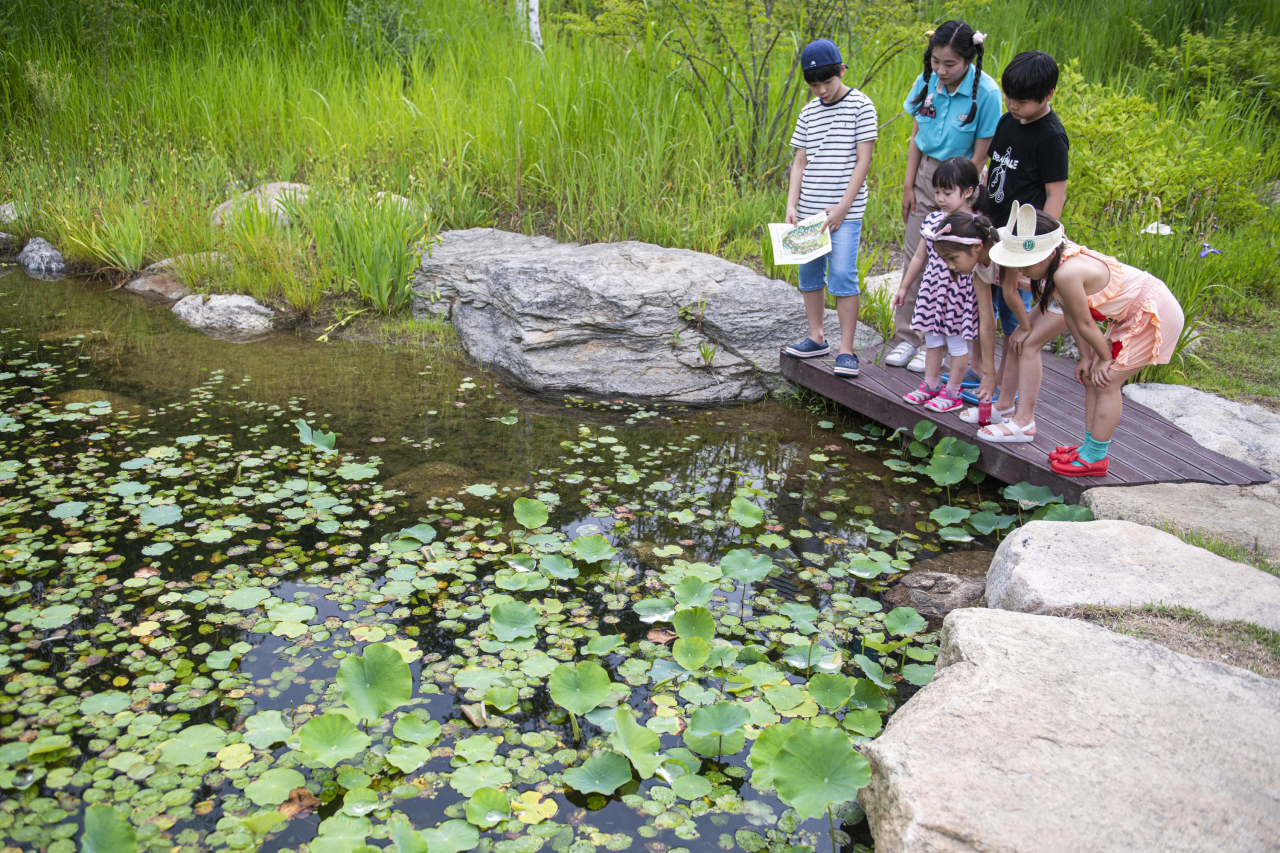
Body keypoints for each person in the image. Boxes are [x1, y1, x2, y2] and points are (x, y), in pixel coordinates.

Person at [979, 203, 1186, 478]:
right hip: (1131, 315)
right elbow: (1074, 316)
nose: (1022, 271)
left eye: (1026, 264)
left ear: (1049, 253)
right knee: (1091, 376)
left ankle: (1095, 458)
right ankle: (1088, 448)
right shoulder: (1057, 268)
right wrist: (1088, 358)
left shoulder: (1066, 273)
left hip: (1152, 314)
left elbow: (1088, 323)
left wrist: (1104, 358)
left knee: (1107, 382)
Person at [886, 20, 1001, 374]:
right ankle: (909, 336)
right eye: (936, 61)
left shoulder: (987, 94)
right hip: (927, 177)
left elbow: (981, 154)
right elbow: (917, 138)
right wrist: (909, 185)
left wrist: (961, 198)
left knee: (953, 261)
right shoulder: (927, 82)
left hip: (962, 182)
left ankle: (941, 342)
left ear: (969, 60)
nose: (941, 70)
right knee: (915, 253)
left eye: (950, 64)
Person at [970, 49, 1071, 392]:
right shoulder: (1007, 120)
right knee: (987, 307)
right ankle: (984, 372)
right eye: (1010, 97)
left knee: (1015, 315)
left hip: (1020, 239)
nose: (1013, 105)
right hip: (992, 227)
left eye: (1022, 101)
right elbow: (992, 168)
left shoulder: (1051, 137)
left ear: (1048, 95)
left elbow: (1056, 194)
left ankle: (1008, 393)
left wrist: (1039, 246)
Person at [782, 38, 878, 378]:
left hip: (844, 213)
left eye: (827, 82)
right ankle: (816, 336)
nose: (821, 90)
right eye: (814, 85)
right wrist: (792, 204)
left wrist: (841, 207)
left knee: (841, 275)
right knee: (809, 274)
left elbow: (863, 161)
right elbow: (799, 162)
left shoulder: (861, 106)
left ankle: (846, 350)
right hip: (808, 211)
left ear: (842, 70)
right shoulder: (808, 111)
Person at [890, 158, 996, 412]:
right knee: (933, 339)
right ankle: (930, 384)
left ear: (968, 191)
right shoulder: (932, 220)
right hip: (932, 291)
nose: (940, 198)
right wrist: (904, 287)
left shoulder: (975, 225)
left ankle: (953, 392)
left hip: (961, 293)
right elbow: (919, 256)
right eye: (937, 192)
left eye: (947, 193)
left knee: (957, 343)